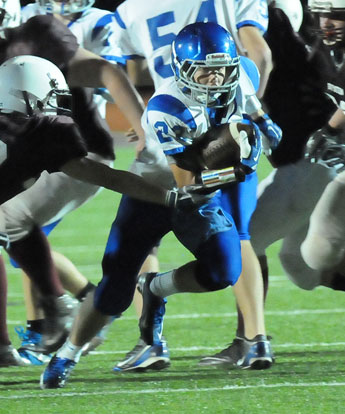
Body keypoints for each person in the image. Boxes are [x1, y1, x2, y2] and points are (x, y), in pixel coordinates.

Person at [39, 21, 268, 389]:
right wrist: (238, 165)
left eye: (221, 69)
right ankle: (69, 351)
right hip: (154, 191)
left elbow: (259, 118)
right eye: (205, 71)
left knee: (224, 272)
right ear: (182, 70)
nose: (215, 79)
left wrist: (264, 131)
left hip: (203, 195)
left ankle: (156, 289)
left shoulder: (240, 74)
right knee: (114, 289)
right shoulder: (167, 106)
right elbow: (186, 184)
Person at [0, 12, 197, 366]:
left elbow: (102, 174)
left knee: (9, 222)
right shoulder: (34, 132)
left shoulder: (42, 133)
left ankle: (56, 307)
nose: (52, 115)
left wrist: (170, 197)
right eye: (44, 105)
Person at [109, 0, 279, 371]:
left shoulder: (131, 9)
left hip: (180, 126)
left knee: (146, 234)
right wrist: (246, 128)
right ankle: (255, 339)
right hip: (193, 130)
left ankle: (150, 342)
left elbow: (130, 70)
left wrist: (144, 125)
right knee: (240, 232)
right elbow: (260, 57)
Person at [201, 0, 345, 366]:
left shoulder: (269, 26)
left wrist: (247, 112)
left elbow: (262, 54)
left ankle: (250, 339)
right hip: (306, 164)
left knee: (242, 237)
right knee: (300, 265)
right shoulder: (307, 40)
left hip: (307, 164)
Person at [11, 0, 126, 365]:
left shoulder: (38, 30)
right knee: (18, 236)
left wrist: (142, 127)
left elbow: (109, 71)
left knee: (12, 225)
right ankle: (68, 312)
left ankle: (76, 308)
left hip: (73, 152)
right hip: (44, 153)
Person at [300, 1, 345, 275]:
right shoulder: (322, 51)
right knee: (318, 251)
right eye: (322, 14)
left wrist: (329, 129)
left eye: (336, 16)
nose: (326, 23)